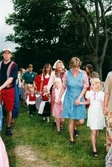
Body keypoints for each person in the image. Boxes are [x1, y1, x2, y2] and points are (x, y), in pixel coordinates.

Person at [58, 57, 89, 145]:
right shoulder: (67, 74)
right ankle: (71, 139)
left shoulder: (83, 74)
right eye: (74, 67)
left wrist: (79, 98)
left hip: (79, 98)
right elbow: (64, 87)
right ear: (71, 66)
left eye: (78, 67)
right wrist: (59, 97)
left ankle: (76, 127)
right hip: (69, 98)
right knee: (71, 120)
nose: (76, 69)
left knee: (81, 121)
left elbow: (85, 87)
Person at [80, 78, 105, 157]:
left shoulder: (101, 94)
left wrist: (104, 113)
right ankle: (94, 149)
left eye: (93, 84)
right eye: (91, 84)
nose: (92, 86)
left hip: (99, 113)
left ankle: (94, 143)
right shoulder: (89, 93)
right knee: (93, 131)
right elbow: (88, 102)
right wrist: (80, 102)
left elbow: (102, 105)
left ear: (98, 85)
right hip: (92, 113)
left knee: (97, 130)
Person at [0, 48, 18, 136]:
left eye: (8, 53)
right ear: (2, 55)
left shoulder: (14, 65)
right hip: (0, 89)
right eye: (5, 53)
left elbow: (10, 79)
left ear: (11, 55)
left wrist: (0, 88)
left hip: (8, 90)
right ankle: (1, 122)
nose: (6, 54)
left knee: (9, 109)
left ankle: (8, 127)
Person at [47, 60, 66, 127]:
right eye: (58, 65)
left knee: (62, 104)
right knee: (55, 104)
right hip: (55, 90)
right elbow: (50, 82)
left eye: (60, 65)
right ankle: (56, 119)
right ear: (56, 66)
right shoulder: (53, 73)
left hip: (63, 90)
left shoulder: (65, 72)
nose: (59, 66)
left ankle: (62, 119)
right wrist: (48, 90)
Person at [103, 72, 112, 152]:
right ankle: (109, 152)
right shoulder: (110, 75)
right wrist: (105, 106)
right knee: (110, 130)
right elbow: (107, 93)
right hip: (111, 108)